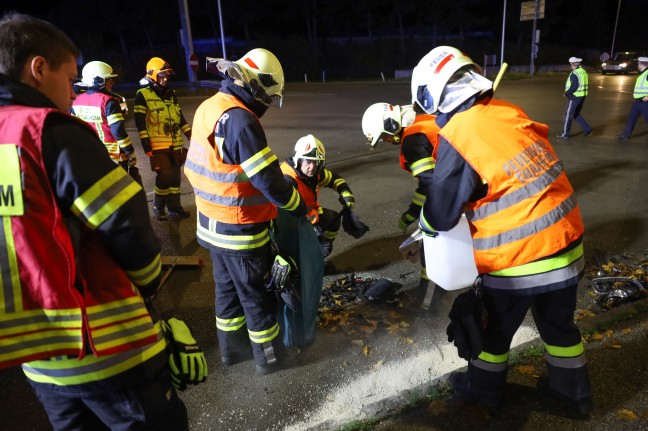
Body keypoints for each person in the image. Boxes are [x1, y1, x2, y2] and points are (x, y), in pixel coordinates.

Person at [0, 12, 188, 430]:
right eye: (69, 80)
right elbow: (127, 224)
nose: (72, 94)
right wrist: (150, 280)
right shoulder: (47, 130)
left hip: (39, 360)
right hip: (106, 349)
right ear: (38, 68)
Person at [412, 46, 591, 416]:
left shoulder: (460, 134)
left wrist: (424, 224)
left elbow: (442, 212)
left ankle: (483, 392)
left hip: (518, 263)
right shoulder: (508, 112)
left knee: (492, 333)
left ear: (435, 98)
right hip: (567, 245)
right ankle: (573, 395)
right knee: (559, 329)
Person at [184, 48, 306, 375]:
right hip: (240, 231)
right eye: (268, 96)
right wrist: (297, 204)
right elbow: (268, 179)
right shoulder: (241, 120)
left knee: (227, 295)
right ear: (255, 86)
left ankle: (231, 353)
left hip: (211, 227)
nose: (267, 103)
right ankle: (270, 358)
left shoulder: (211, 106)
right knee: (256, 298)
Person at [361, 102, 445, 312]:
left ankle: (428, 306)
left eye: (384, 137)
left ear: (390, 125)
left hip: (453, 194)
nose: (387, 142)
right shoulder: (421, 122)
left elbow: (430, 183)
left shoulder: (412, 142)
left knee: (432, 251)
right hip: (461, 184)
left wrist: (417, 215)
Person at [134, 57, 192, 220]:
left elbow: (179, 116)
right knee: (164, 176)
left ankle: (175, 207)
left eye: (167, 75)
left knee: (175, 176)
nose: (166, 78)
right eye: (162, 75)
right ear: (152, 75)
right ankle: (158, 207)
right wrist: (146, 146)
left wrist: (190, 135)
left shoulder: (171, 94)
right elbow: (140, 122)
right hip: (157, 145)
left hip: (175, 143)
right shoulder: (143, 95)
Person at [280, 134, 355, 258]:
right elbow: (285, 215)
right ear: (298, 160)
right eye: (308, 161)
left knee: (332, 219)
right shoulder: (288, 178)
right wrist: (313, 232)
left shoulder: (311, 173)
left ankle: (314, 259)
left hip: (306, 219)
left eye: (316, 162)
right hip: (287, 226)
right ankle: (299, 265)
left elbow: (334, 179)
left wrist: (346, 193)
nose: (312, 167)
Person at [70, 60, 141, 183]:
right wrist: (130, 151)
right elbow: (118, 131)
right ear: (98, 80)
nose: (112, 82)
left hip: (89, 155)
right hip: (113, 157)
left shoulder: (76, 101)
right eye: (108, 79)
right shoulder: (109, 101)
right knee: (120, 192)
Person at [557, 56, 593, 140]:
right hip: (582, 96)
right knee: (575, 113)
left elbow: (574, 87)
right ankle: (587, 129)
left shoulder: (574, 74)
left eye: (570, 64)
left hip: (575, 97)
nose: (570, 66)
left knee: (568, 115)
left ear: (573, 64)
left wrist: (566, 93)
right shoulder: (583, 71)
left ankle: (565, 134)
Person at [617, 56, 648, 141]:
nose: (637, 64)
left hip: (645, 103)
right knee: (631, 118)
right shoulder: (642, 73)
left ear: (642, 64)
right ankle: (626, 135)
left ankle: (626, 135)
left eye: (638, 63)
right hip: (638, 102)